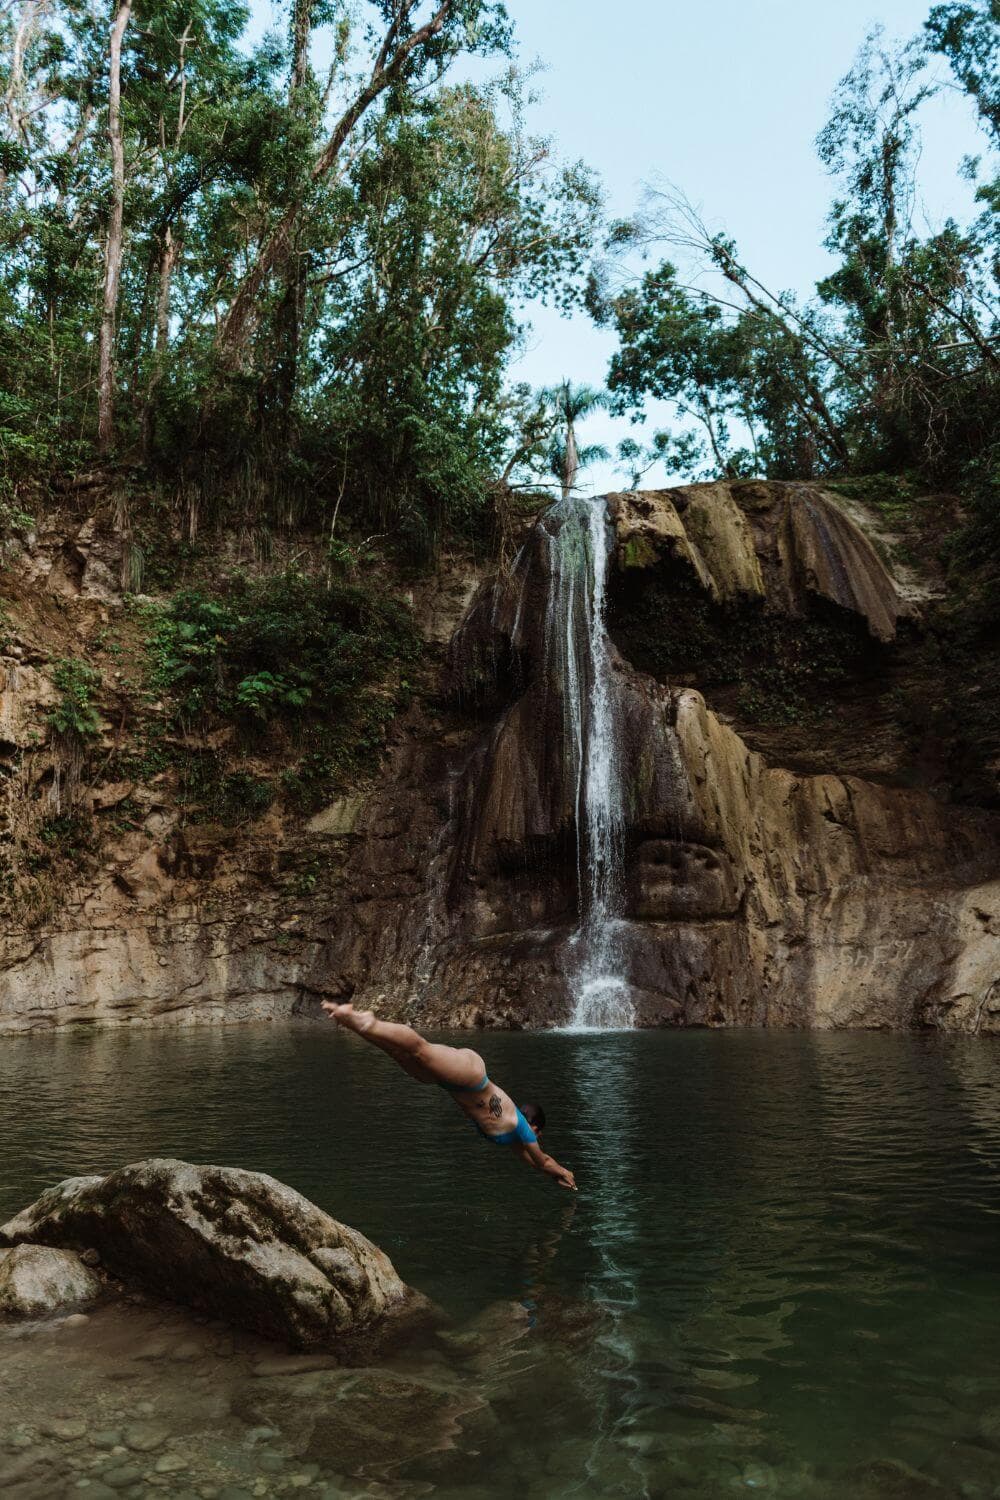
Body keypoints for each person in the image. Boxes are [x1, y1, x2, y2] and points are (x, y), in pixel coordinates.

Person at [321, 1002, 577, 1190]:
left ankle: (358, 1026)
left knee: (400, 1055)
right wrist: (566, 1173)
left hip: (451, 1085)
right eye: (538, 1133)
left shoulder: (515, 1138)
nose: (537, 1139)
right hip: (471, 1077)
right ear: (533, 1126)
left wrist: (555, 1177)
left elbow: (536, 1162)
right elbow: (542, 1160)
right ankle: (368, 1021)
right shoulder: (520, 1128)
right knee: (420, 1050)